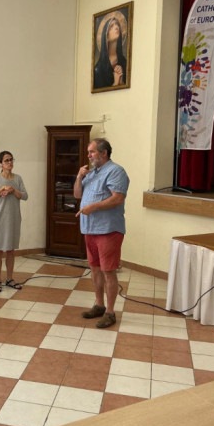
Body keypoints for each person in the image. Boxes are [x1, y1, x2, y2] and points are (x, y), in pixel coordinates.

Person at [73, 138, 129, 328]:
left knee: (108, 270)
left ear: (104, 153)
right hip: (90, 229)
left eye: (92, 152)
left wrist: (93, 207)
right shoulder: (91, 173)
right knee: (95, 268)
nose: (88, 155)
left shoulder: (116, 171)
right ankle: (99, 305)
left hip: (108, 230)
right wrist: (79, 177)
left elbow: (117, 198)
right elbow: (77, 195)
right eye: (88, 152)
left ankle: (110, 313)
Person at [0, 151, 28, 292]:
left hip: (13, 218)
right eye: (6, 160)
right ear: (0, 164)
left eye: (11, 159)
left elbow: (25, 196)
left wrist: (13, 190)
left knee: (10, 250)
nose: (10, 162)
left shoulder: (18, 178)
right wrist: (1, 190)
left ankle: (9, 278)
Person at [94, 16, 127, 89]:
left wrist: (121, 82)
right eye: (111, 26)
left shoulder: (124, 62)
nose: (116, 27)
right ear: (106, 36)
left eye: (117, 24)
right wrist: (115, 83)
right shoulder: (98, 69)